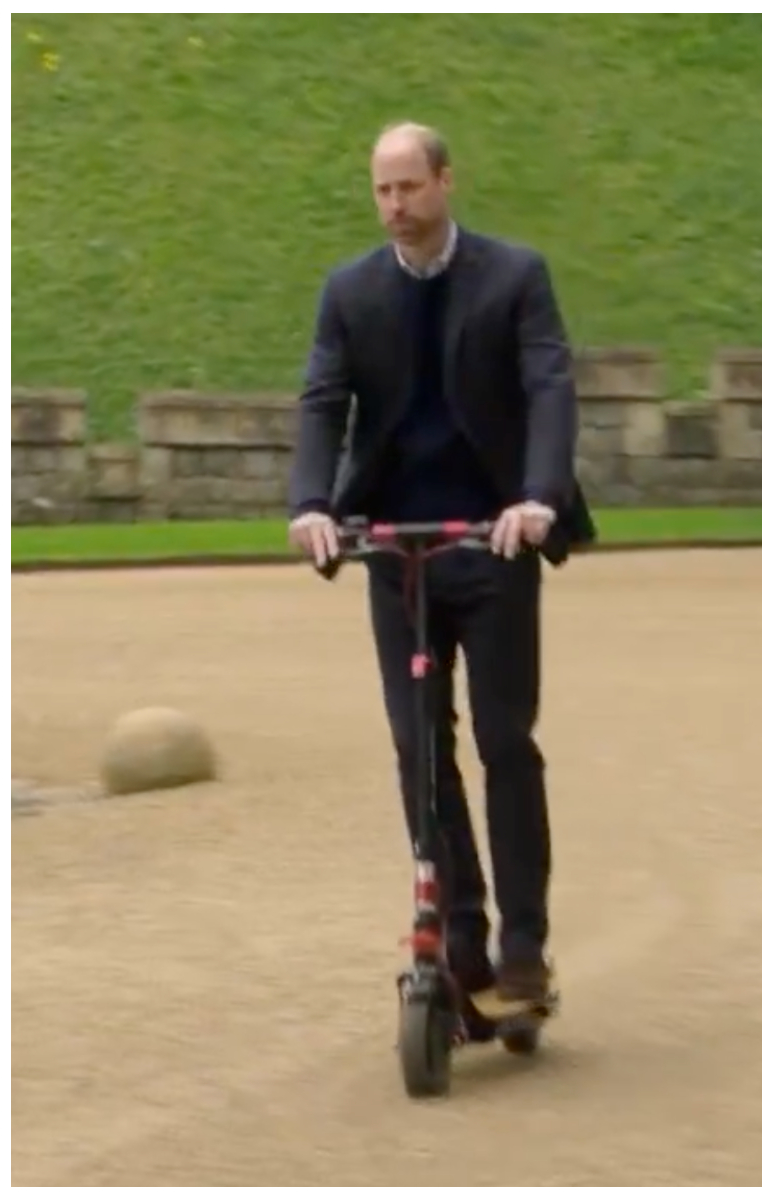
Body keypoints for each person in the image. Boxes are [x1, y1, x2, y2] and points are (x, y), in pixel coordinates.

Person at [287, 122, 595, 1003]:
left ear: (445, 183)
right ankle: (459, 935)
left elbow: (548, 387)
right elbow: (322, 401)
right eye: (382, 191)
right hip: (398, 548)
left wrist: (538, 498)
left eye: (410, 189)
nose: (396, 208)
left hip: (494, 539)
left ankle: (525, 943)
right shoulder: (350, 291)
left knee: (504, 739)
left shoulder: (514, 276)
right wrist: (312, 504)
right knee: (417, 745)